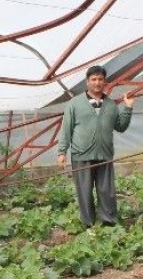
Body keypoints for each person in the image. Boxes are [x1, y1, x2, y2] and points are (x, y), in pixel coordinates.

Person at [57, 65, 135, 228]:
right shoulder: (75, 103)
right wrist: (62, 151)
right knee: (84, 192)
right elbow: (66, 128)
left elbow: (120, 126)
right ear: (87, 82)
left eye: (100, 79)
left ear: (104, 81)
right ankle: (89, 224)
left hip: (104, 154)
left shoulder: (111, 105)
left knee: (106, 190)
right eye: (93, 79)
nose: (97, 83)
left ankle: (108, 221)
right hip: (81, 155)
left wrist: (128, 107)